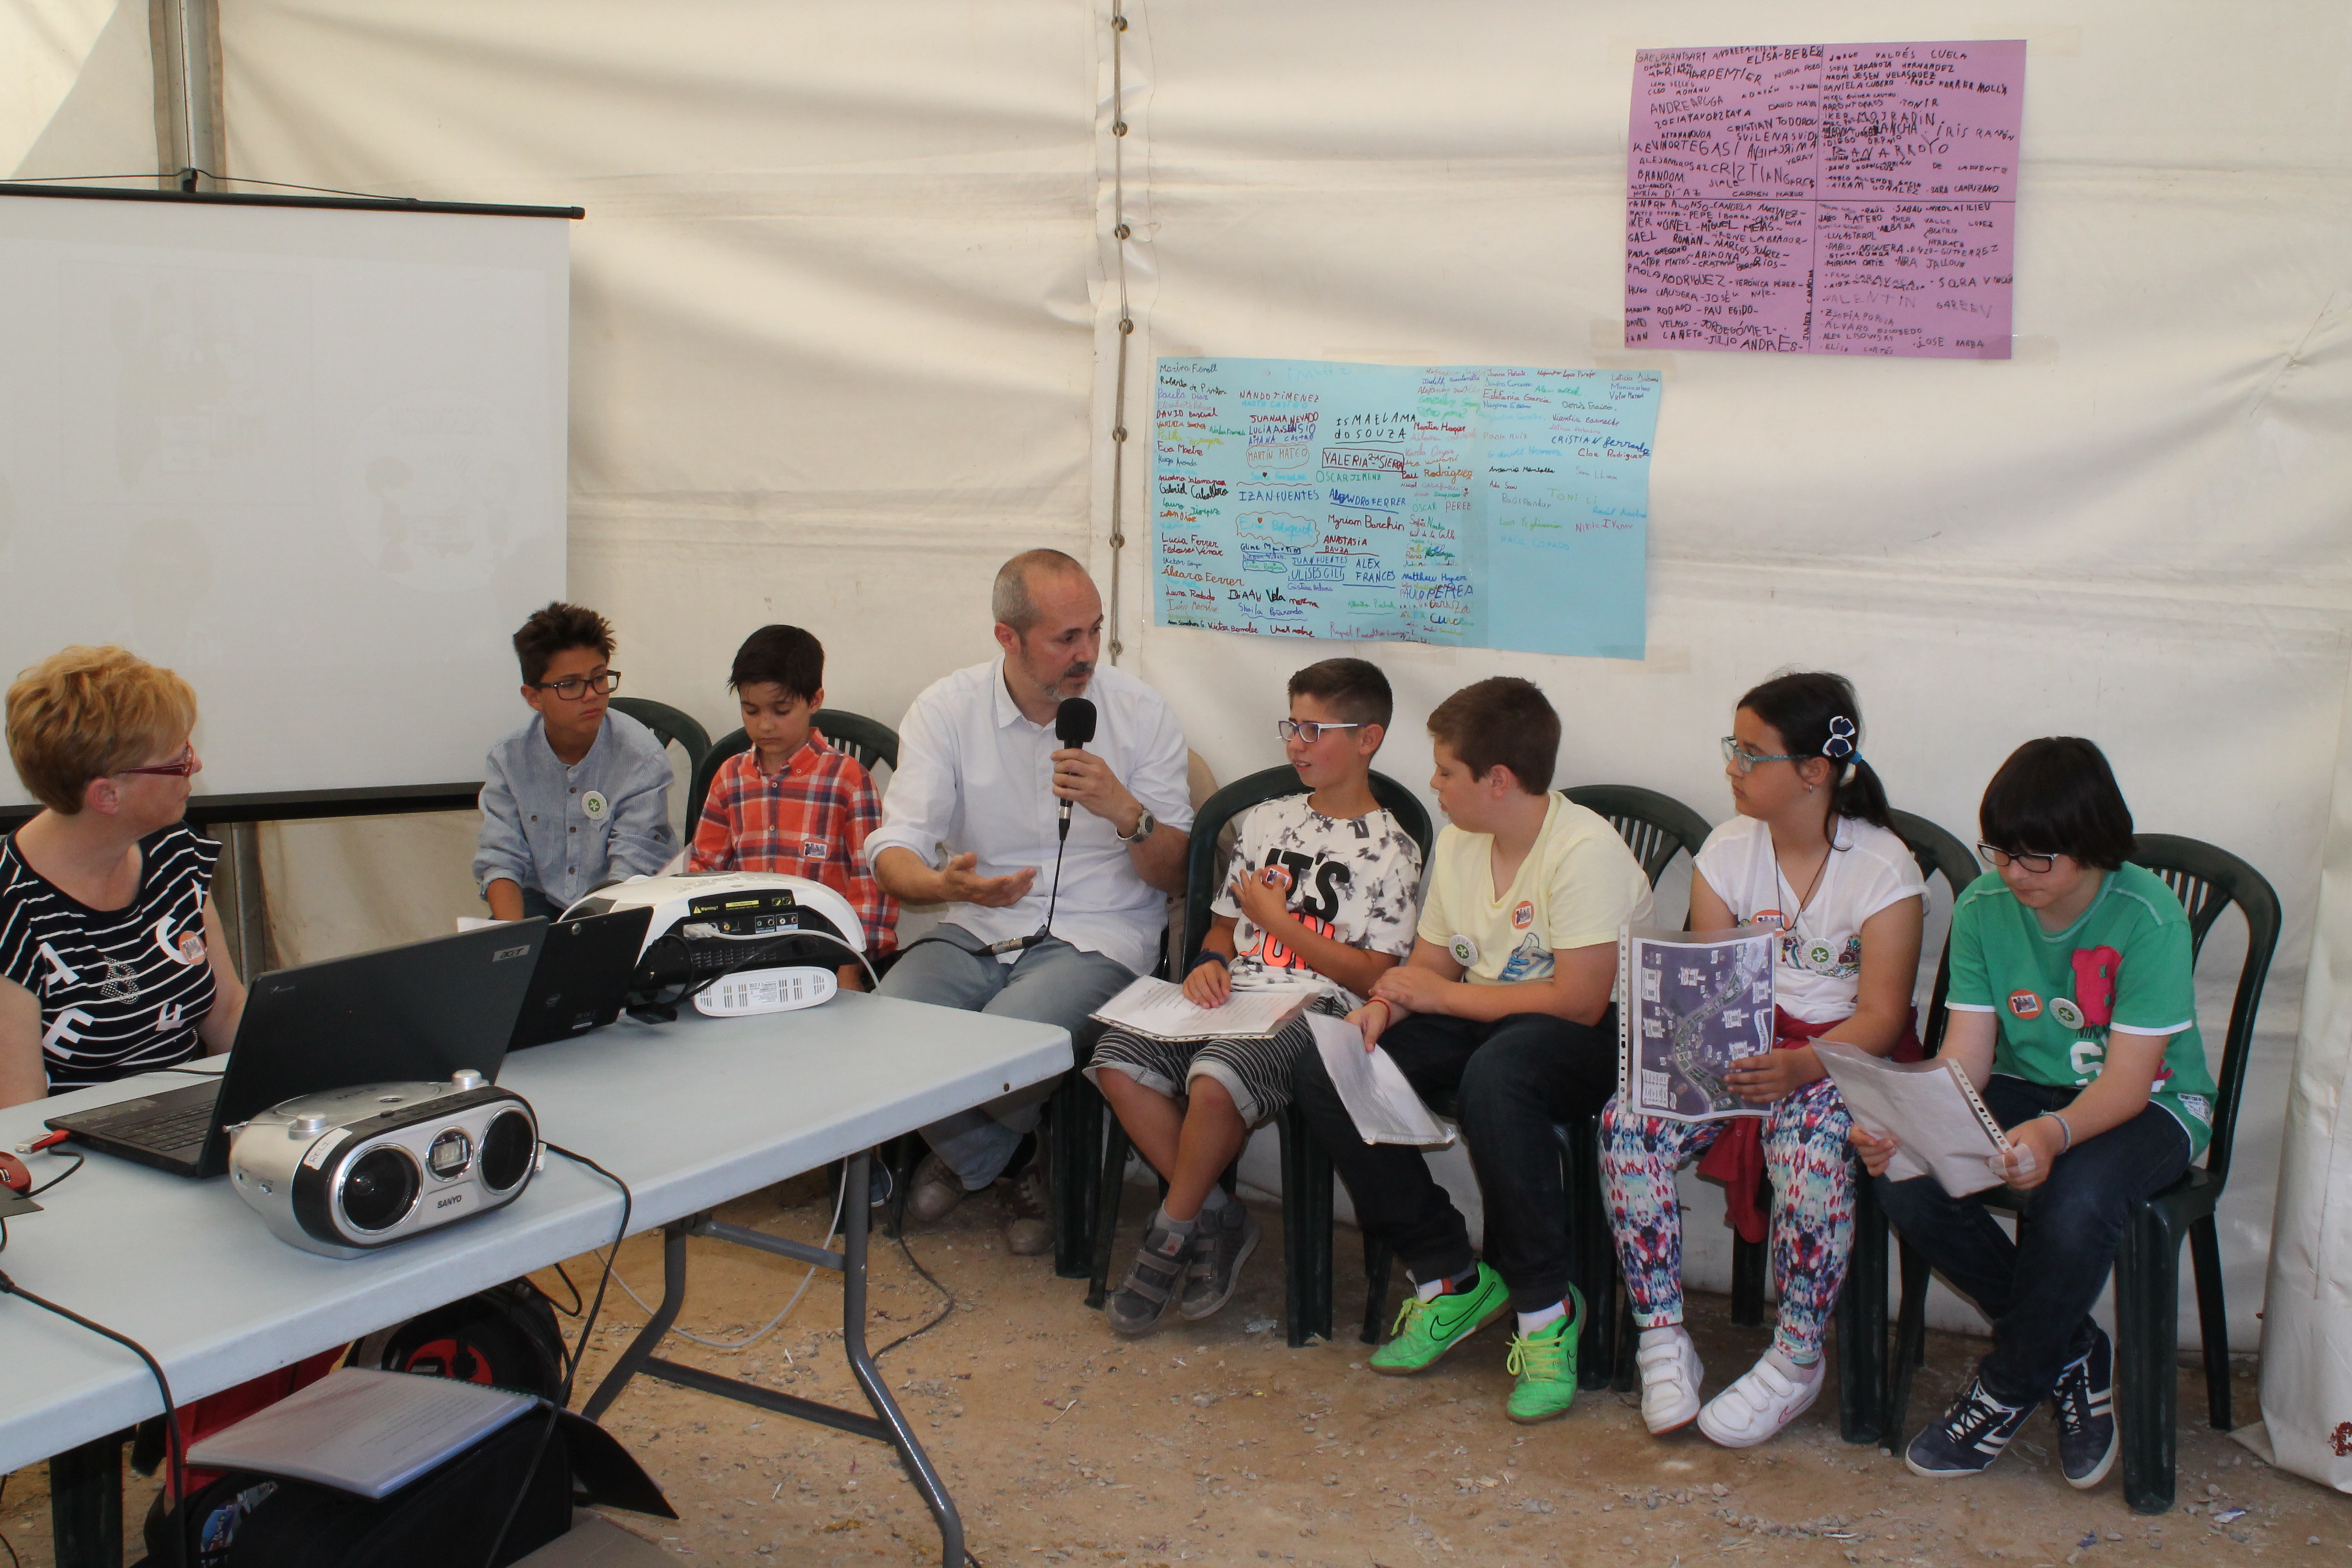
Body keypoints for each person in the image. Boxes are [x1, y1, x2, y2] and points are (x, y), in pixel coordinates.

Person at [1289, 676, 1653, 1423]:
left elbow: (1579, 1002)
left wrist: (1441, 998)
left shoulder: (1586, 851)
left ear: (1499, 780)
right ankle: (1450, 1275)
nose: (1434, 784)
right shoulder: (1461, 840)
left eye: (1446, 770)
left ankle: (1545, 1312)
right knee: (1329, 1063)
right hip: (1491, 1016)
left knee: (1498, 1078)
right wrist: (1383, 1009)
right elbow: (1432, 965)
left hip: (1591, 1036)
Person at [1855, 737, 2210, 1490]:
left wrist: (2053, 1134)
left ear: (2092, 843)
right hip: (2027, 1082)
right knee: (1905, 1175)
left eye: (2037, 858)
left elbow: (2127, 1082)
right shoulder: (1985, 906)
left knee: (2075, 1199)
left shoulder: (2149, 917)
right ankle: (2070, 1346)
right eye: (2002, 852)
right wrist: (1909, 1120)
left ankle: (2008, 1385)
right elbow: (1968, 1057)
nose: (2015, 873)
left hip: (2154, 1102)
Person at [1600, 672, 1924, 1447]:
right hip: (1739, 1046)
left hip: (1838, 1056)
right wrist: (1701, 1055)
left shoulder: (1884, 868)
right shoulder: (1728, 847)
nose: (1733, 767)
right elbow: (1707, 979)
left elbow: (1882, 1017)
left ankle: (1797, 1356)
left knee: (1811, 1149)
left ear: (1813, 771)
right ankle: (1662, 1336)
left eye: (1752, 754)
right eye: (1734, 748)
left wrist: (1803, 1066)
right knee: (1627, 1123)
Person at [868, 549, 1193, 1255]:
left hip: (1099, 933)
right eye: (1065, 638)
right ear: (1007, 638)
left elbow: (1176, 874)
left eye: (1095, 631)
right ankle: (1015, 1159)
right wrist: (943, 886)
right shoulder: (947, 709)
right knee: (885, 1030)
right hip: (979, 922)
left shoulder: (1140, 713)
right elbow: (895, 847)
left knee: (1003, 1043)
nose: (1087, 654)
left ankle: (965, 1155)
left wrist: (1127, 812)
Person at [1086, 658, 1422, 1332]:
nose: (1295, 742)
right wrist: (1210, 961)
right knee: (1116, 1058)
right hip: (1236, 992)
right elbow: (1221, 926)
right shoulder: (1267, 820)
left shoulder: (1394, 849)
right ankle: (1219, 1215)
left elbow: (1373, 976)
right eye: (1290, 725)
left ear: (1368, 739)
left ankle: (1169, 1235)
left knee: (1217, 1078)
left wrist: (1279, 923)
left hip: (1316, 1008)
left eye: (1314, 729)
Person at [0, 646, 246, 1107]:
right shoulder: (13, 909)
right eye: (178, 758)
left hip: (186, 1121)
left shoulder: (173, 849)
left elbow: (228, 1012)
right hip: (71, 1143)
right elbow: (17, 1116)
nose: (195, 765)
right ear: (108, 796)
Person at [689, 624, 896, 989]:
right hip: (742, 956)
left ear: (814, 701)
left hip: (828, 958)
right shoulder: (730, 778)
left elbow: (872, 886)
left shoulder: (848, 780)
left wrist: (850, 968)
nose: (765, 725)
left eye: (781, 710)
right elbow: (704, 871)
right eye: (751, 710)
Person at [473, 602, 674, 921]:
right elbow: (501, 858)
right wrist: (515, 937)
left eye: (599, 678)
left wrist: (585, 935)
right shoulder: (508, 758)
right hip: (538, 901)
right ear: (534, 697)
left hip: (618, 906)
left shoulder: (641, 758)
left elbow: (634, 863)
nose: (591, 694)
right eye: (569, 685)